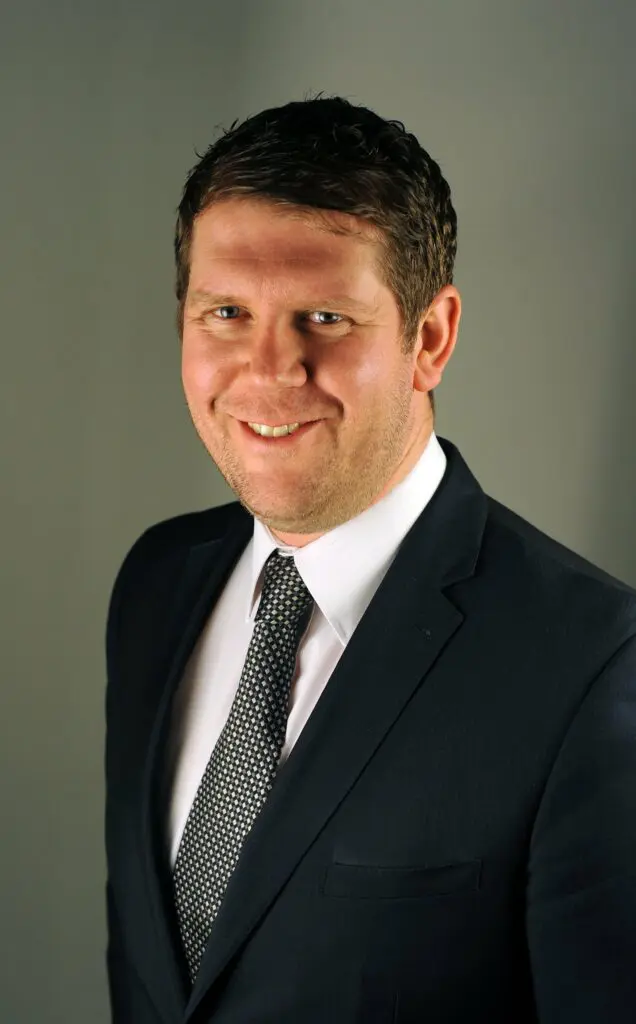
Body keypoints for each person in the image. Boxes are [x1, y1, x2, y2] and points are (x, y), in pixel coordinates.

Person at [104, 93, 636, 1024]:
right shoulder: (158, 582)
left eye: (324, 317)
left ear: (430, 338)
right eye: (226, 311)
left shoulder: (595, 665)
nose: (269, 370)